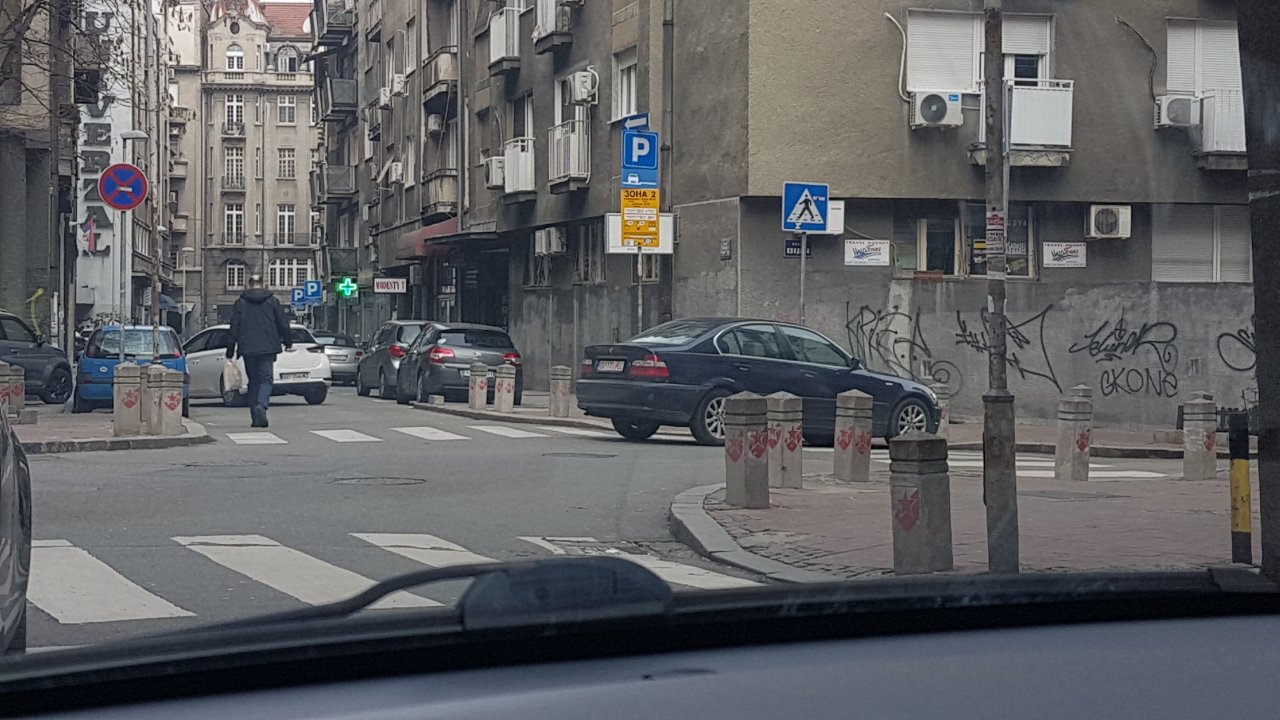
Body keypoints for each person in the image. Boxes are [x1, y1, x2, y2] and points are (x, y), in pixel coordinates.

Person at [226, 274, 292, 428]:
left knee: (253, 381)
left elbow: (234, 327)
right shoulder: (272, 301)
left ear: (249, 284)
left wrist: (230, 350)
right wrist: (288, 341)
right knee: (266, 379)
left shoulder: (240, 303)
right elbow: (283, 323)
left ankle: (255, 417)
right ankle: (261, 406)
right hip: (268, 347)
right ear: (263, 284)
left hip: (248, 348)